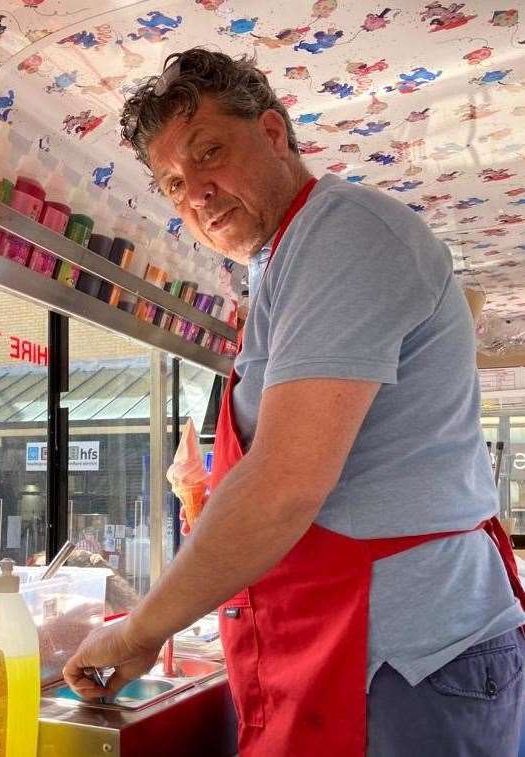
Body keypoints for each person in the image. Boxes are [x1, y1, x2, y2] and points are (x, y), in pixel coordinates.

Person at [63, 48, 525, 756]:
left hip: (408, 658)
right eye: (174, 183)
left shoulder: (345, 235)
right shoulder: (279, 265)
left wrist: (138, 630)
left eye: (209, 154)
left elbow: (283, 483)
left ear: (273, 134)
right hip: (343, 641)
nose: (197, 192)